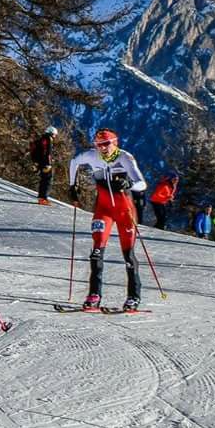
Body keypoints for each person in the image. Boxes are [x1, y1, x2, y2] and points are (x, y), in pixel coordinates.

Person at [67, 129, 148, 311]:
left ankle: (133, 296)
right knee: (96, 251)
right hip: (103, 210)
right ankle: (94, 295)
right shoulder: (91, 156)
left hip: (125, 212)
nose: (103, 148)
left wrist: (130, 184)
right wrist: (73, 185)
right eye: (99, 145)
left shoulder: (125, 158)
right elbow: (74, 161)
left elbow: (142, 183)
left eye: (107, 144)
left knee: (128, 255)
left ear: (115, 142)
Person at [29, 126, 57, 205]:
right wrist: (48, 164)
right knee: (48, 180)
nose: (55, 136)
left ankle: (41, 198)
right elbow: (48, 152)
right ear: (52, 133)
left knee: (43, 180)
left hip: (40, 163)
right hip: (45, 164)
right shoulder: (48, 139)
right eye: (55, 134)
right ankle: (43, 199)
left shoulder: (42, 139)